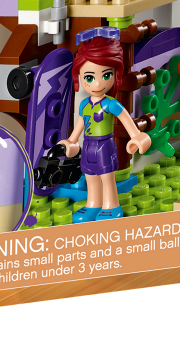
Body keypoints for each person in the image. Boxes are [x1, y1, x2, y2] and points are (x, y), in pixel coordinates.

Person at [60, 29, 151, 222]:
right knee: (90, 176)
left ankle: (112, 205)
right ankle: (93, 204)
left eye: (106, 75)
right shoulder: (84, 105)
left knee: (107, 177)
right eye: (89, 77)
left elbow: (126, 119)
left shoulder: (111, 104)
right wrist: (71, 141)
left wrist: (136, 136)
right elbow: (80, 125)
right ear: (79, 76)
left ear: (116, 74)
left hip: (105, 145)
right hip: (88, 145)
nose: (97, 84)